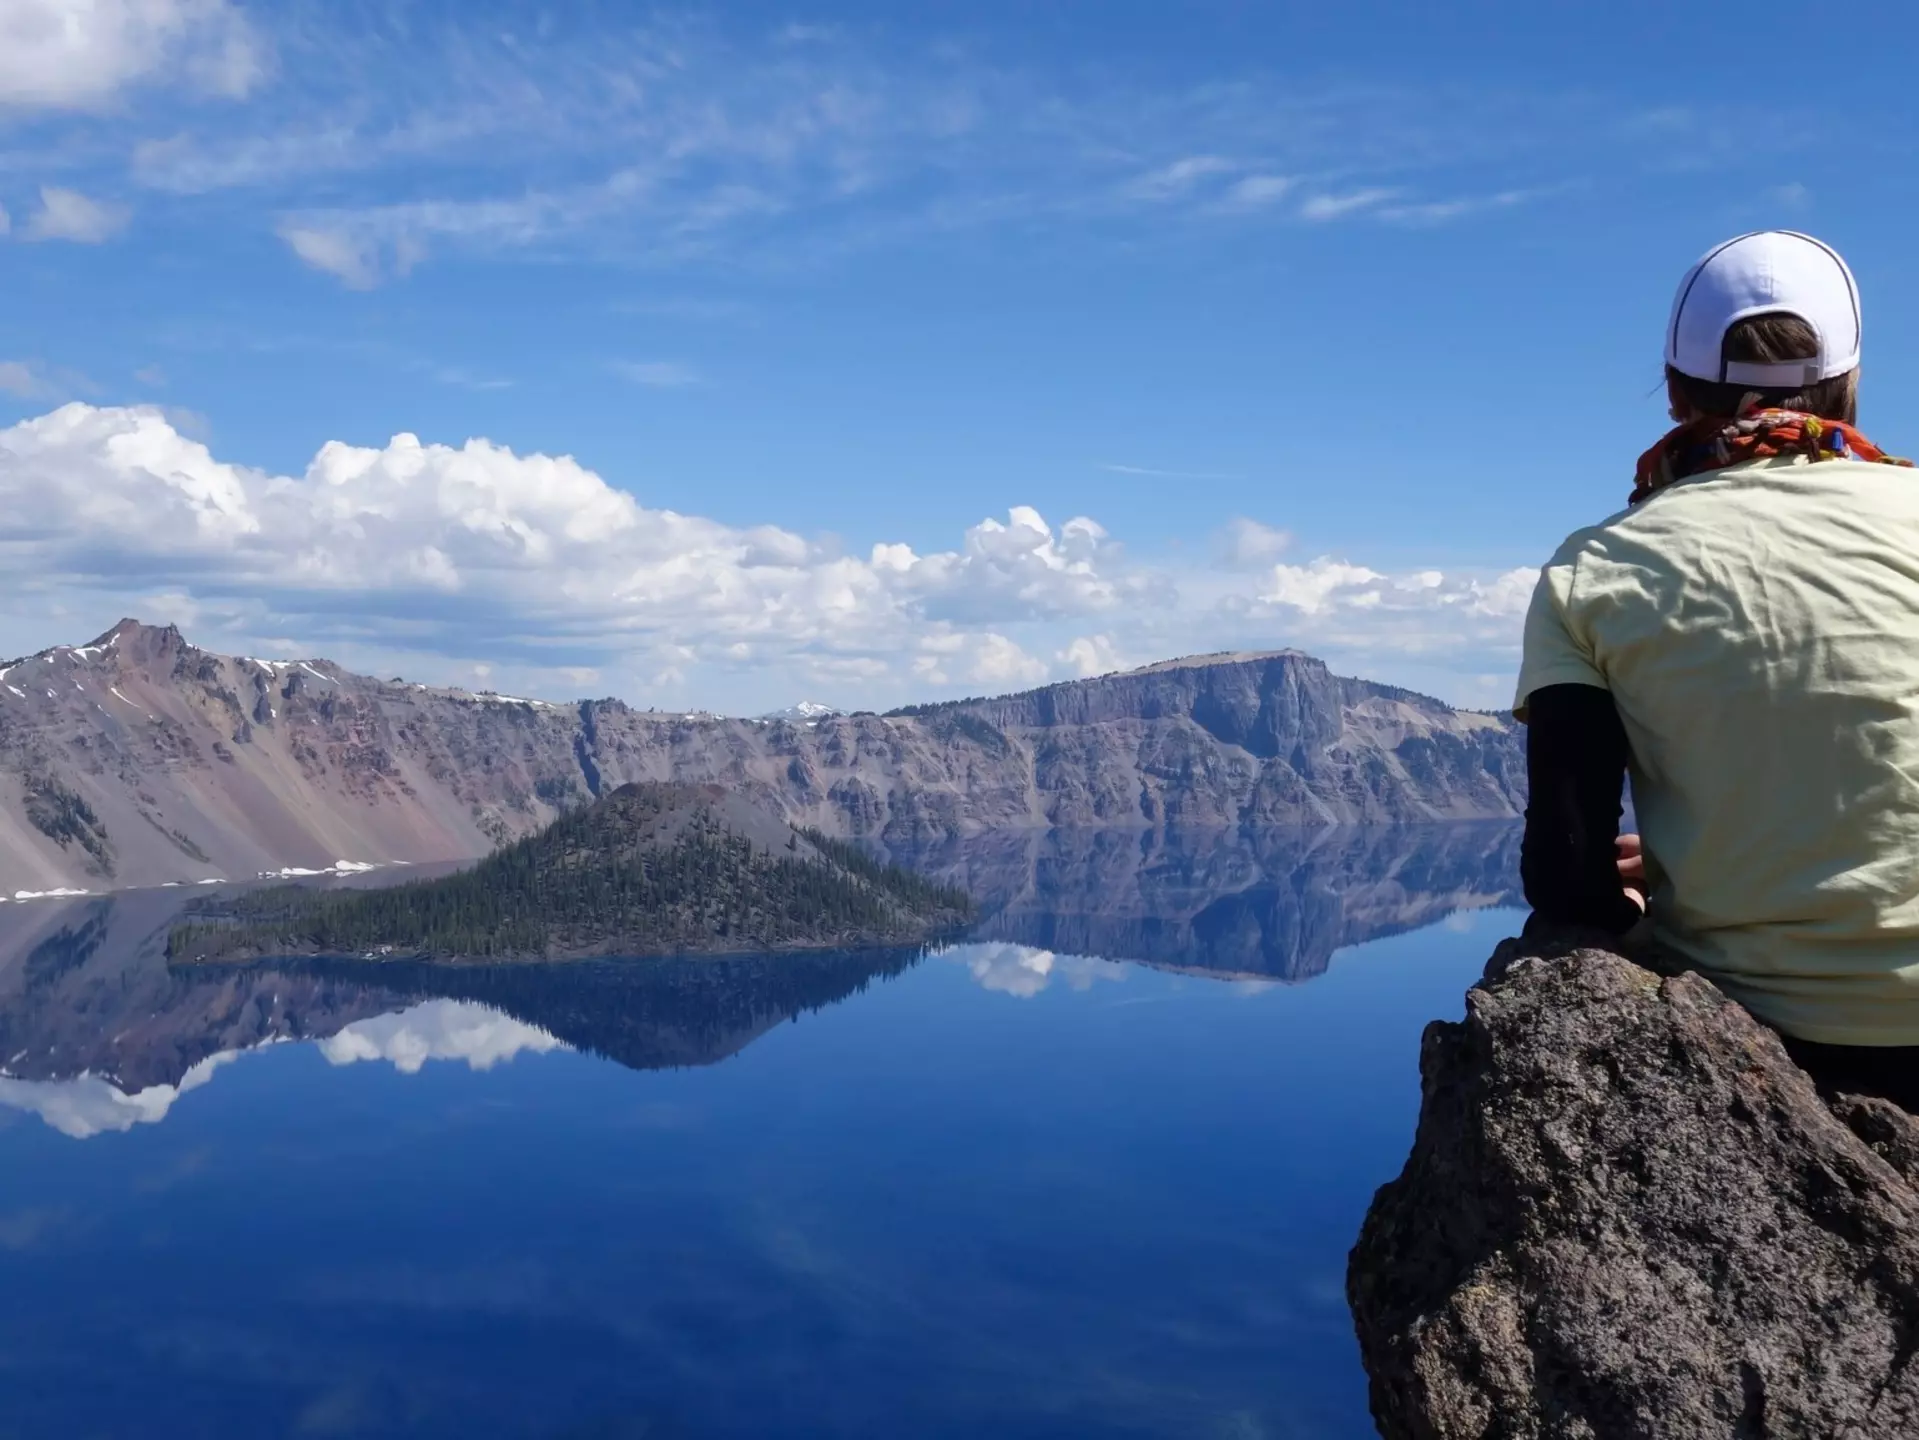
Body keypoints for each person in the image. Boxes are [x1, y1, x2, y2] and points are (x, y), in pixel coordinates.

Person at [1515, 229, 1919, 1106]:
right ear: (1848, 385)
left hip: (1759, 1044)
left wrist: (1658, 887)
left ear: (1673, 392)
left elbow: (1566, 868)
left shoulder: (1594, 567)